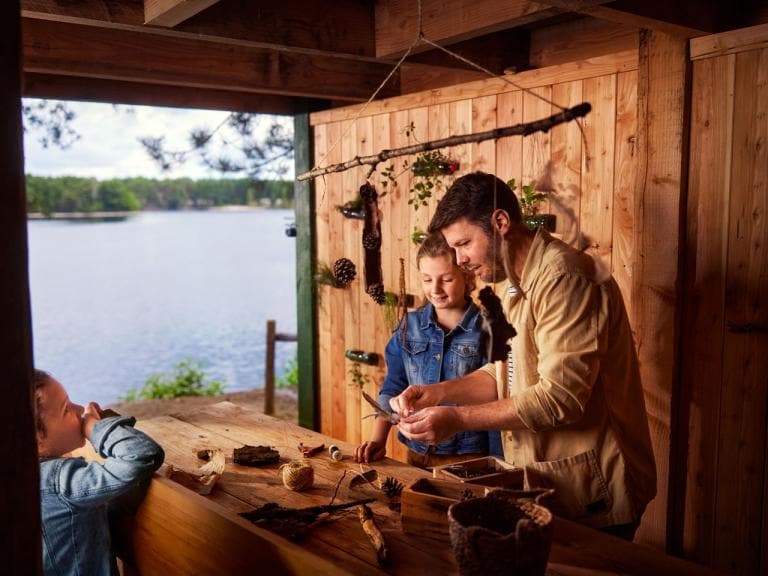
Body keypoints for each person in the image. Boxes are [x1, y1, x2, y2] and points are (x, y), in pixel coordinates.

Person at [391, 172, 657, 540]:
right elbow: (505, 372)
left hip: (596, 486)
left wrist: (456, 419)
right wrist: (438, 393)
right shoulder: (513, 283)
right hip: (552, 483)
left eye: (464, 243)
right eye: (453, 248)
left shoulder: (565, 277)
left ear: (500, 222)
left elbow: (560, 399)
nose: (460, 259)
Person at [355, 232, 502, 468]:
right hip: (417, 454)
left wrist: (499, 464)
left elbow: (498, 397)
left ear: (467, 277)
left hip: (470, 458)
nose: (436, 288)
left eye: (446, 279)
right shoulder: (408, 327)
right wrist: (378, 440)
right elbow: (394, 385)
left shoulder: (488, 330)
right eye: (427, 279)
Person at [34, 369, 165, 575]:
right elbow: (142, 454)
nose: (78, 410)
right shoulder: (60, 483)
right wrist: (94, 427)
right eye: (66, 409)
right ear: (36, 441)